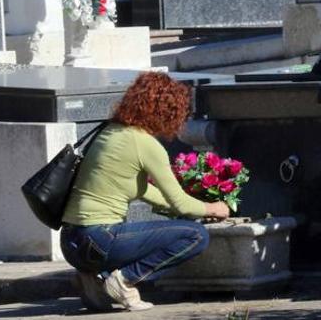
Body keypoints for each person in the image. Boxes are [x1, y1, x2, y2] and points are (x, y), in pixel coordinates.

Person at [60, 72, 230, 312]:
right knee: (196, 236)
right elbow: (180, 203)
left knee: (180, 226)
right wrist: (214, 208)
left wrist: (196, 208)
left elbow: (144, 191)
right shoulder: (144, 144)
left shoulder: (110, 132)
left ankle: (91, 277)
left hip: (71, 243)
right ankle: (125, 280)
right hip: (99, 239)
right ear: (167, 112)